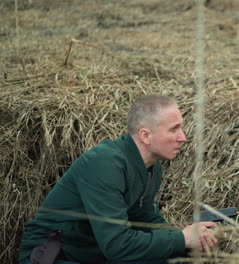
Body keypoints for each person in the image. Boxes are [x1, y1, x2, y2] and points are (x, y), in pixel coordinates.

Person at [18, 95, 218, 264]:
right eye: (174, 129)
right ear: (146, 136)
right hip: (51, 254)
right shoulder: (104, 164)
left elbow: (147, 221)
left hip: (92, 251)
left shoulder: (151, 168)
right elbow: (117, 245)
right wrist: (180, 239)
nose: (182, 137)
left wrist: (191, 243)